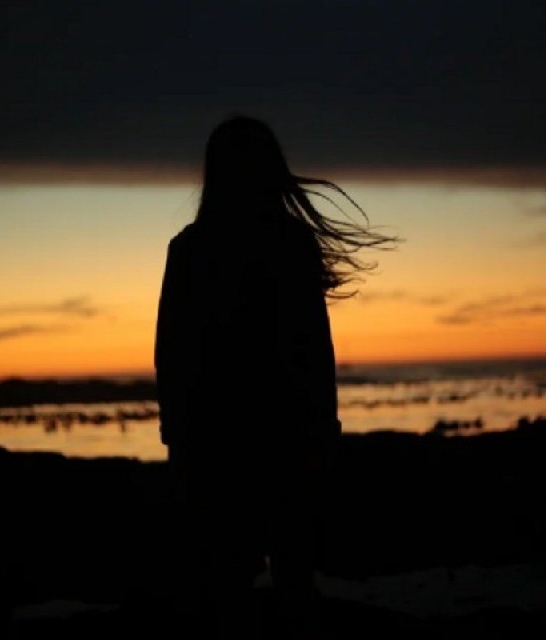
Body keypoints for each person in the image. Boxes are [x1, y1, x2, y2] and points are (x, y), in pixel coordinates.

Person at [154, 115, 397, 638]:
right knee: (289, 575)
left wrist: (177, 435)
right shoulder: (289, 244)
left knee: (227, 582)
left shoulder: (192, 249)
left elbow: (171, 354)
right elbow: (314, 351)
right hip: (282, 434)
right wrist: (325, 427)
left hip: (217, 438)